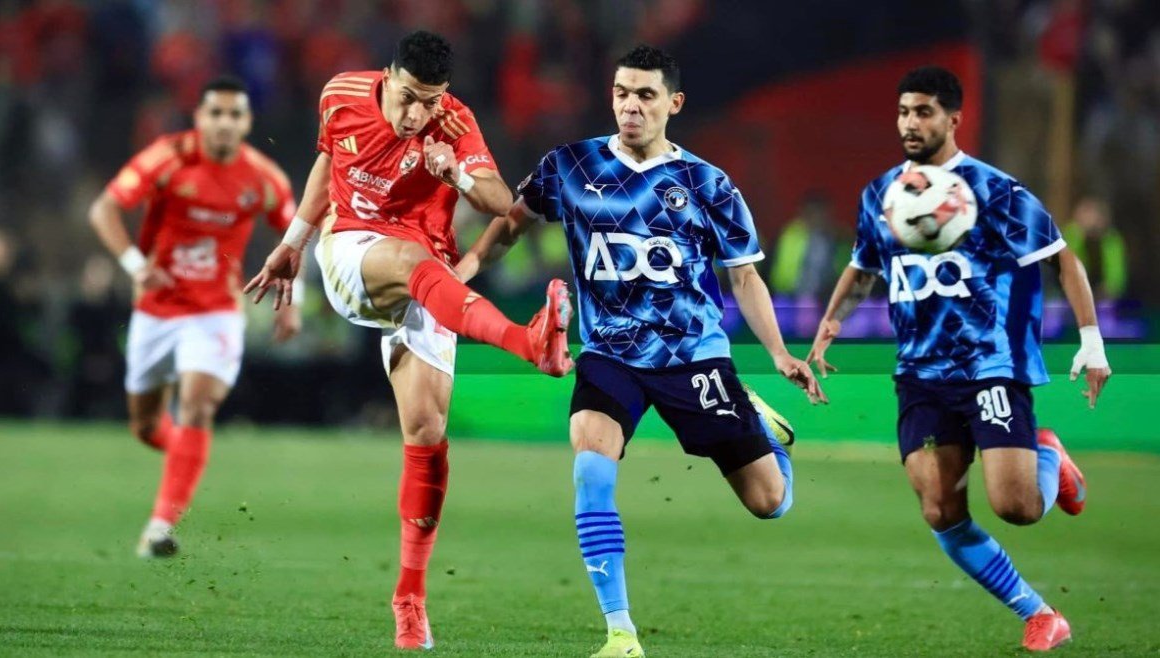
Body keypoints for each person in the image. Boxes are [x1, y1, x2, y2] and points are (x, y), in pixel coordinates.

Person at [457, 45, 826, 658]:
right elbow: (511, 224)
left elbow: (744, 277)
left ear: (673, 103)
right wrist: (460, 274)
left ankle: (759, 423)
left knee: (768, 503)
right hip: (609, 354)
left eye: (646, 95)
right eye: (622, 92)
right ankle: (620, 632)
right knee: (590, 468)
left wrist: (780, 353)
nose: (631, 105)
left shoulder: (708, 184)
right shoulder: (569, 165)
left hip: (692, 357)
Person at [244, 31, 572, 651]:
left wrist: (459, 175)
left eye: (431, 101)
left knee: (426, 434)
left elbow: (501, 200)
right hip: (354, 252)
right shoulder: (341, 93)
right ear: (388, 77)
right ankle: (528, 345)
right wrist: (294, 242)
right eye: (409, 98)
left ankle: (410, 600)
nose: (418, 114)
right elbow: (328, 164)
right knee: (408, 259)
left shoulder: (454, 122)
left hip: (429, 280)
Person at [806, 67, 1112, 653]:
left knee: (1016, 508)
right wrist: (828, 326)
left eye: (923, 112)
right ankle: (1039, 613)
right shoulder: (882, 194)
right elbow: (863, 267)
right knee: (939, 509)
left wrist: (1091, 340)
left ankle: (1048, 456)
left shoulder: (997, 192)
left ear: (953, 119)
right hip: (920, 375)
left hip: (990, 365)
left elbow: (1063, 259)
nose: (910, 123)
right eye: (903, 111)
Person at [87, 76, 300, 558]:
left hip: (216, 312)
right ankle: (188, 452)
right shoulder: (167, 157)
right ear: (200, 117)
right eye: (215, 113)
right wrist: (137, 266)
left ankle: (159, 528)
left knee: (198, 406)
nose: (224, 123)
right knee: (146, 427)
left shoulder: (263, 177)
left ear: (247, 122)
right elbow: (103, 210)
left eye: (234, 114)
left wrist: (293, 300)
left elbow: (294, 233)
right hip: (156, 309)